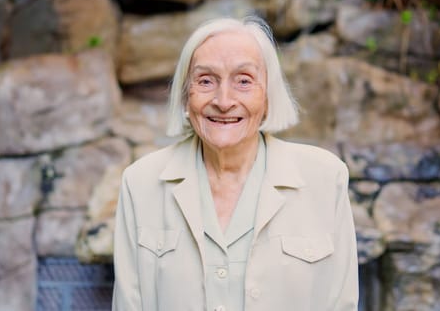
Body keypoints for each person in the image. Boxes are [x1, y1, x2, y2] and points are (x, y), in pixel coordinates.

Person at [112, 16, 358, 311]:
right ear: (185, 96)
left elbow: (341, 302)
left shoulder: (325, 178)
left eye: (243, 81)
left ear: (268, 96)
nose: (224, 100)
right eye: (205, 81)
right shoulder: (141, 183)